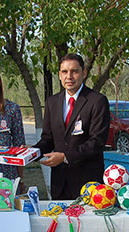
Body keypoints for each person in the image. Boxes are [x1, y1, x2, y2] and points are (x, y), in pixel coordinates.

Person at [33, 53, 110, 200]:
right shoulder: (52, 102)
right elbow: (48, 139)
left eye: (74, 71)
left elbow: (97, 142)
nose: (69, 76)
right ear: (60, 75)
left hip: (88, 184)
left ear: (84, 73)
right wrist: (30, 152)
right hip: (60, 183)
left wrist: (65, 157)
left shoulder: (97, 101)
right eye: (64, 71)